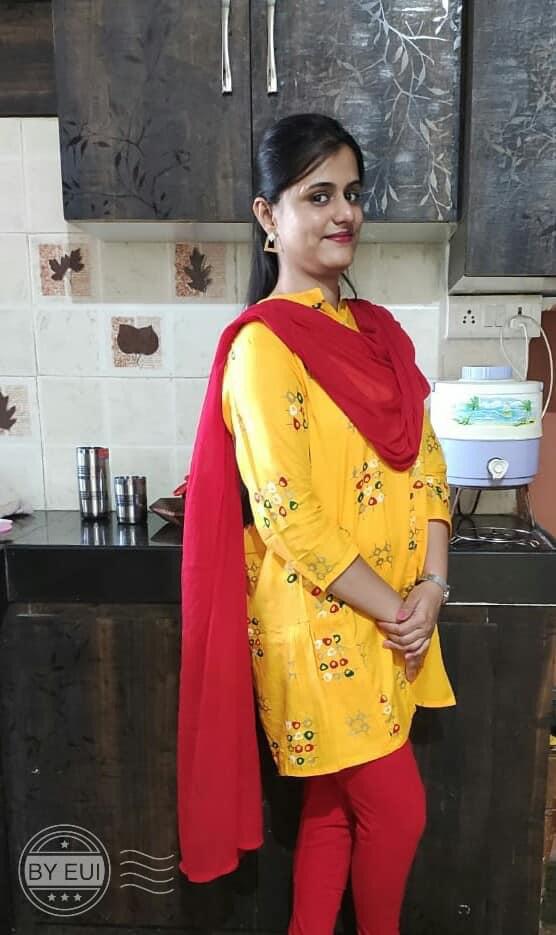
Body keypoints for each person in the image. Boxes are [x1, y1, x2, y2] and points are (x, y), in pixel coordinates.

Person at [177, 113, 456, 935]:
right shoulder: (265, 349)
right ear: (268, 216)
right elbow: (287, 515)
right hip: (322, 623)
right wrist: (400, 609)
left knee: (335, 811)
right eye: (319, 195)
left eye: (353, 194)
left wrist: (432, 586)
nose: (344, 213)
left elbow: (429, 466)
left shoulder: (378, 336)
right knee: (397, 810)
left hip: (394, 619)